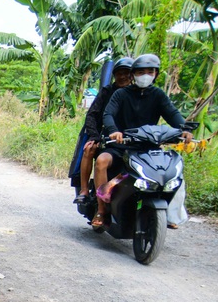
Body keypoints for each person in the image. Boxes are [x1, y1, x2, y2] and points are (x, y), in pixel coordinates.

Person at [92, 53, 192, 229]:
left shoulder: (158, 95)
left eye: (150, 71)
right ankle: (101, 210)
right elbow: (108, 114)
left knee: (171, 170)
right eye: (140, 72)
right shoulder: (121, 94)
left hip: (147, 148)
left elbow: (172, 114)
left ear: (156, 74)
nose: (145, 75)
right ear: (133, 75)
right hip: (121, 145)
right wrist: (114, 131)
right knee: (101, 161)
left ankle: (167, 212)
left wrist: (184, 129)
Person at [70, 57, 133, 207]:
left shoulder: (138, 94)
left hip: (132, 140)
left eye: (127, 73)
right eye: (119, 73)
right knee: (89, 148)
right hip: (106, 137)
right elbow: (92, 114)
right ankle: (84, 191)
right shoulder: (107, 92)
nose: (123, 77)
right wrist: (95, 136)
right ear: (114, 75)